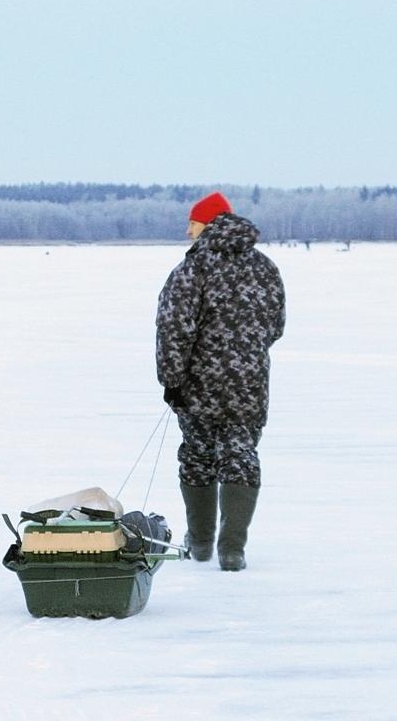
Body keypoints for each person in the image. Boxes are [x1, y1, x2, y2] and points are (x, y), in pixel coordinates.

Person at [156, 192, 285, 571]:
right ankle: (233, 550)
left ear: (209, 224)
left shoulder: (192, 269)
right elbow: (275, 327)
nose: (187, 231)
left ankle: (199, 543)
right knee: (240, 457)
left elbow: (173, 329)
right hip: (250, 385)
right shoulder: (265, 268)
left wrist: (171, 379)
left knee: (198, 456)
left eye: (192, 224)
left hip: (200, 385)